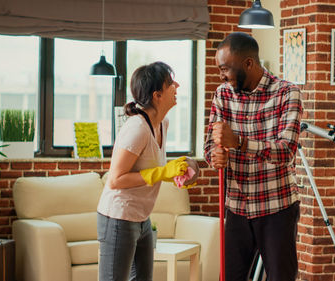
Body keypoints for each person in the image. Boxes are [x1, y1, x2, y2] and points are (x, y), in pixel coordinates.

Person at [204, 32, 303, 281]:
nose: (221, 75)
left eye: (225, 68)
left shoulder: (287, 93)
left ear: (248, 63)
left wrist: (239, 143)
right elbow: (209, 145)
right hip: (237, 206)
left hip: (276, 207)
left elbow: (286, 151)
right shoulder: (222, 94)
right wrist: (214, 155)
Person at [97, 61, 189, 281]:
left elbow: (151, 167)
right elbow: (115, 179)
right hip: (118, 217)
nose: (177, 85)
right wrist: (161, 173)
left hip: (142, 218)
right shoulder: (137, 128)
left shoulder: (161, 124)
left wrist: (176, 173)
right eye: (170, 83)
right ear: (157, 95)